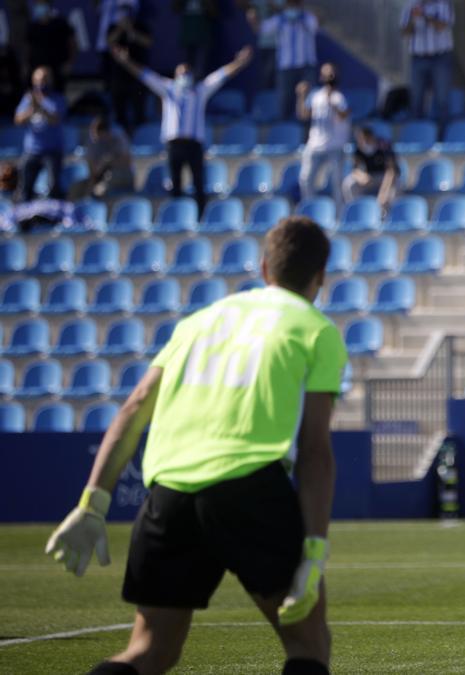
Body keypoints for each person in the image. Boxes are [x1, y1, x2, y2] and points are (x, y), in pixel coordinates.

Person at [45, 216, 348, 675]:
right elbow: (315, 452)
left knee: (149, 651)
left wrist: (92, 503)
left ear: (264, 268)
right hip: (249, 489)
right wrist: (314, 551)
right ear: (321, 277)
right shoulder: (316, 329)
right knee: (308, 645)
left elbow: (133, 408)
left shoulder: (199, 321)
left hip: (170, 494)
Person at [111, 45, 254, 215]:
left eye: (187, 73)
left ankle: (201, 217)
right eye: (181, 73)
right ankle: (176, 215)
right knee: (175, 183)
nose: (185, 76)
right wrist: (126, 62)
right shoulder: (168, 89)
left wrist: (239, 62)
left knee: (198, 183)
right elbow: (145, 75)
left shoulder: (201, 90)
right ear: (175, 75)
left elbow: (222, 75)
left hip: (194, 144)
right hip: (174, 145)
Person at [249, 0, 319, 121]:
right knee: (285, 102)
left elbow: (316, 26)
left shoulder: (307, 18)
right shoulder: (279, 19)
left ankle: (307, 131)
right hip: (285, 68)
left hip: (307, 68)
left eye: (295, 3)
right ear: (285, 5)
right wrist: (253, 20)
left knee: (309, 103)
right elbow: (261, 29)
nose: (292, 7)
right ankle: (285, 131)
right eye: (290, 3)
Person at [297, 62, 350, 209]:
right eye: (326, 73)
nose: (328, 76)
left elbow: (344, 115)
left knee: (337, 182)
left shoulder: (340, 97)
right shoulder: (315, 96)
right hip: (315, 146)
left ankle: (339, 215)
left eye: (331, 73)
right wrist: (301, 96)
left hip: (335, 147)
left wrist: (331, 101)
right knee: (305, 179)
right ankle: (310, 211)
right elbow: (303, 115)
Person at [14, 66, 67, 202]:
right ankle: (25, 217)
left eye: (44, 80)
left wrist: (41, 106)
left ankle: (53, 217)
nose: (40, 84)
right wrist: (30, 110)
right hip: (32, 151)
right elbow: (18, 119)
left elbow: (56, 119)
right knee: (24, 187)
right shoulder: (28, 99)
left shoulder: (57, 99)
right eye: (37, 80)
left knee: (53, 186)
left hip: (52, 152)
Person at [401, 0, 455, 123]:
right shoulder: (410, 4)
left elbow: (442, 26)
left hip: (441, 57)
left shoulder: (444, 3)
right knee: (416, 100)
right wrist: (413, 19)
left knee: (442, 100)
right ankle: (418, 136)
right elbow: (404, 32)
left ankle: (442, 138)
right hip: (418, 58)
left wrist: (424, 15)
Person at [103, 6, 152, 133]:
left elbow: (148, 42)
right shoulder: (113, 28)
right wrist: (121, 28)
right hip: (119, 75)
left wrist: (131, 31)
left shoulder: (140, 26)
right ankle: (122, 129)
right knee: (119, 107)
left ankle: (139, 131)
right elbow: (108, 42)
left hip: (138, 74)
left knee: (139, 104)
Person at [71, 116, 134, 200]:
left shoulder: (118, 138)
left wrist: (109, 161)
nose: (96, 137)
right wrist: (103, 163)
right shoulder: (93, 143)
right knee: (76, 189)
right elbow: (94, 170)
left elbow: (127, 162)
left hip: (120, 174)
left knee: (101, 189)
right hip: (100, 176)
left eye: (98, 134)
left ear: (105, 132)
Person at [342, 125, 399, 209]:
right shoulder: (359, 149)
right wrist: (361, 176)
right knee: (349, 183)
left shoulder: (384, 146)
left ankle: (387, 215)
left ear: (371, 137)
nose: (362, 142)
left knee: (393, 190)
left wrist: (384, 192)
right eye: (359, 140)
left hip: (385, 178)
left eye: (364, 139)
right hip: (371, 178)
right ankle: (356, 209)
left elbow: (391, 172)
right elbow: (355, 169)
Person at [25, 0, 76, 90]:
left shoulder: (60, 23)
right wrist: (26, 65)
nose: (39, 7)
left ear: (48, 5)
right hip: (36, 68)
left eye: (42, 4)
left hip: (56, 70)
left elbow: (72, 44)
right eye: (37, 4)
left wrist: (69, 63)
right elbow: (28, 48)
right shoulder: (33, 26)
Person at [172, 0, 218, 76]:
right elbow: (174, 8)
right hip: (187, 36)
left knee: (200, 69)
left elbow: (214, 12)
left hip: (203, 36)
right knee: (185, 69)